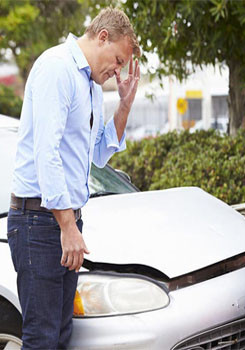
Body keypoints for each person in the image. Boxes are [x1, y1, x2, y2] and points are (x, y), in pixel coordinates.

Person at [7, 7, 140, 349]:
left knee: (62, 335)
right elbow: (46, 154)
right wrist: (68, 227)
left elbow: (97, 154)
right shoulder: (57, 69)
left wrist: (123, 105)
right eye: (117, 59)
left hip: (63, 221)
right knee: (42, 336)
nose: (117, 70)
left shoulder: (91, 85)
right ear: (102, 37)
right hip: (38, 222)